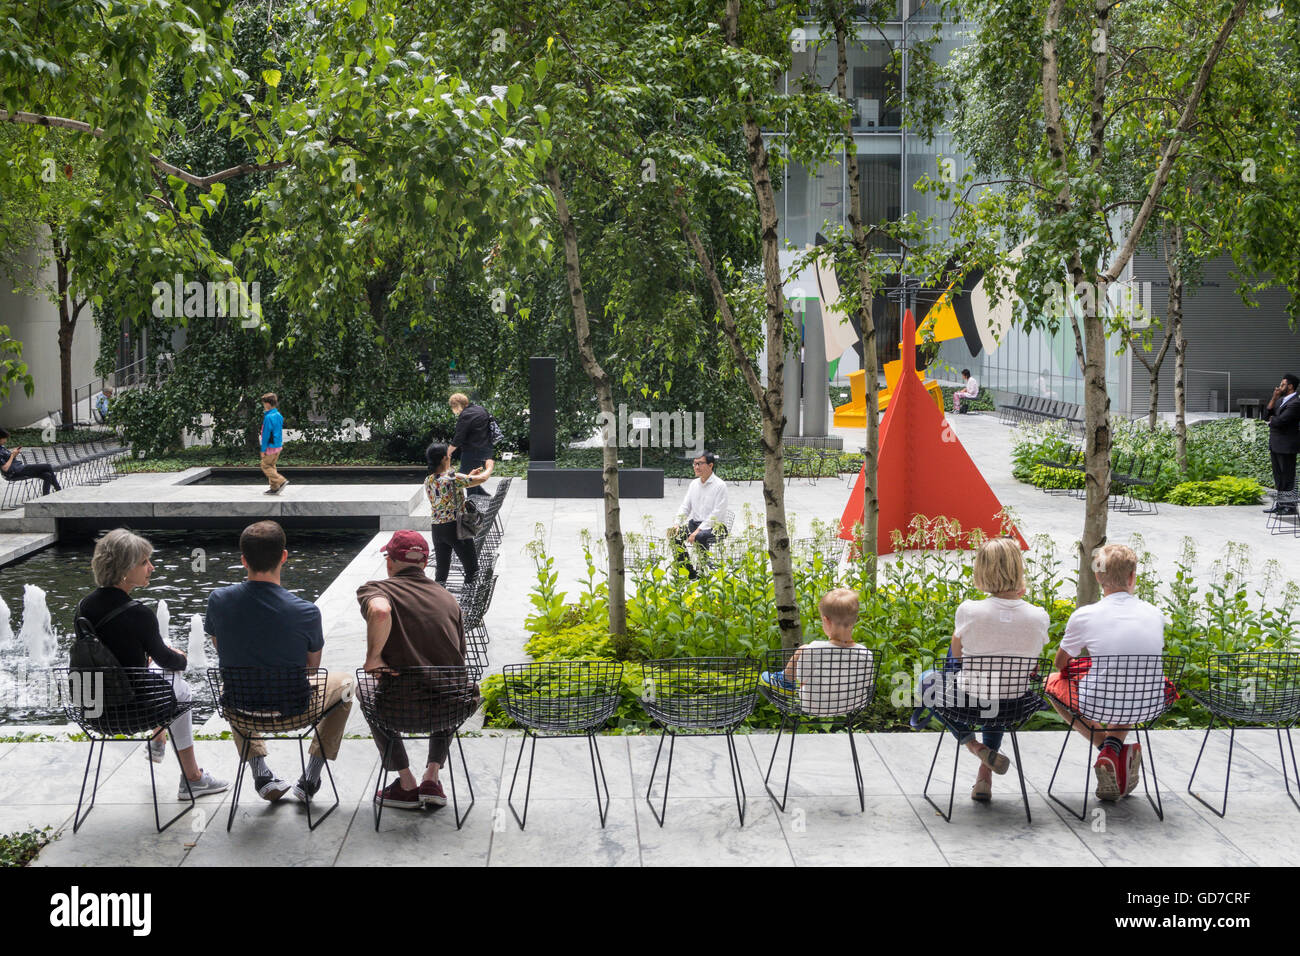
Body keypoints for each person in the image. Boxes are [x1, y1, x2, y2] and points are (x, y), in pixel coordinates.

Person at [205, 521, 352, 803]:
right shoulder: (306, 611)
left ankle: (260, 773)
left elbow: (219, 646)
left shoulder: (218, 600)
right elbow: (312, 668)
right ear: (284, 556)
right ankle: (310, 778)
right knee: (346, 685)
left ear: (243, 560)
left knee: (235, 681)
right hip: (294, 711)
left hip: (239, 709)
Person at [79, 528, 228, 798]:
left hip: (91, 707)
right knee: (182, 689)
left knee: (161, 673)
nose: (152, 567)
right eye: (144, 562)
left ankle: (160, 738)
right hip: (130, 710)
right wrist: (180, 655)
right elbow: (172, 662)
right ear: (124, 569)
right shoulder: (139, 614)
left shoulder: (83, 608)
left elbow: (108, 655)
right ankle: (192, 777)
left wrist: (148, 656)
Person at [912, 538, 1049, 802]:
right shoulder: (1039, 616)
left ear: (981, 571)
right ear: (1019, 570)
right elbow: (1032, 662)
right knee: (998, 694)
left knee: (925, 680)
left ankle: (975, 747)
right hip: (1015, 704)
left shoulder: (969, 610)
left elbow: (957, 656)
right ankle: (983, 779)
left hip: (969, 702)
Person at [1045, 543, 1168, 802]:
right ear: (1133, 576)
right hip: (1149, 703)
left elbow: (1060, 663)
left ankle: (1107, 750)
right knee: (1127, 681)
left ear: (1098, 577)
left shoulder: (1085, 615)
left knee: (1052, 682)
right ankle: (1114, 750)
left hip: (1099, 705)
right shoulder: (1155, 613)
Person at [356, 531, 470, 810]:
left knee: (362, 689)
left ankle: (406, 782)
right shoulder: (447, 599)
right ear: (425, 562)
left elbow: (380, 611)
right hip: (450, 708)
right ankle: (432, 776)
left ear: (389, 562)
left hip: (396, 709)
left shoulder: (376, 589)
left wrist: (373, 658)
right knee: (451, 686)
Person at [759, 588, 873, 715]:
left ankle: (785, 680)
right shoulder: (865, 653)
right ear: (855, 620)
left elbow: (801, 680)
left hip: (814, 705)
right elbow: (867, 684)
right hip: (852, 705)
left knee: (803, 649)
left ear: (826, 621)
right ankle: (784, 679)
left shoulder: (813, 649)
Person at [424, 443, 493, 586]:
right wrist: (490, 466)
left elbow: (447, 491)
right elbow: (483, 479)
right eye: (449, 456)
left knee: (441, 572)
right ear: (444, 459)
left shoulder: (428, 480)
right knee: (472, 570)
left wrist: (468, 477)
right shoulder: (453, 478)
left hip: (437, 529)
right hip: (455, 527)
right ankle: (468, 605)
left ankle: (438, 603)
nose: (450, 458)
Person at [668, 451, 728, 579]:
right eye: (694, 464)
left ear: (710, 465)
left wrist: (698, 531)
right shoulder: (694, 484)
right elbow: (685, 506)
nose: (696, 467)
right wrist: (677, 523)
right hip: (695, 524)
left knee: (700, 537)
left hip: (716, 527)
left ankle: (702, 571)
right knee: (674, 535)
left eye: (699, 464)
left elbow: (716, 514)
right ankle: (688, 571)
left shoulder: (720, 486)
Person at [1263, 373, 1300, 516]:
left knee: (1287, 476)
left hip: (1287, 446)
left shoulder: (1295, 403)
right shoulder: (1280, 400)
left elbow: (1281, 421)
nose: (1279, 387)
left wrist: (1273, 420)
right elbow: (1266, 415)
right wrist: (1274, 397)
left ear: (1290, 386)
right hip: (1275, 444)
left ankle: (1289, 506)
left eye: (1283, 384)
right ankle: (1280, 504)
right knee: (1278, 476)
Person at [448, 392, 495, 497]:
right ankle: (485, 497)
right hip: (486, 450)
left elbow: (458, 438)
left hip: (472, 452)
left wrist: (447, 453)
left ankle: (473, 507)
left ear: (456, 405)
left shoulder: (465, 415)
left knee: (466, 478)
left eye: (452, 407)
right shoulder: (480, 409)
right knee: (471, 478)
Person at [0, 428, 62, 495]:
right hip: (14, 472)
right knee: (47, 466)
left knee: (47, 475)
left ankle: (45, 497)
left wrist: (14, 454)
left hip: (19, 468)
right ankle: (59, 490)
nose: (6, 440)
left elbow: (9, 460)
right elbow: (5, 468)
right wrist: (12, 455)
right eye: (4, 438)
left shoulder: (2, 447)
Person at [259, 392, 288, 495]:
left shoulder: (268, 417)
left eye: (264, 403)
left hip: (270, 447)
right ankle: (274, 488)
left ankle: (281, 480)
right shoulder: (279, 415)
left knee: (265, 465)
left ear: (267, 404)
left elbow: (266, 435)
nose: (263, 405)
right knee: (272, 466)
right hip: (278, 446)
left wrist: (263, 450)